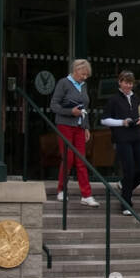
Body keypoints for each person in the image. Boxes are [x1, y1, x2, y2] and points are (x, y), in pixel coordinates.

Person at [100, 71, 140, 216]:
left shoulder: (135, 98)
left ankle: (124, 185)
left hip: (136, 137)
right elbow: (104, 120)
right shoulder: (114, 100)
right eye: (125, 82)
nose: (128, 86)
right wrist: (121, 122)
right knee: (129, 170)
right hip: (122, 139)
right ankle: (126, 203)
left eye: (130, 83)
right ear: (120, 82)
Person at [50, 59, 98, 206]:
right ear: (75, 70)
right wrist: (71, 111)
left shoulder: (83, 85)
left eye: (86, 75)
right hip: (65, 125)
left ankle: (86, 194)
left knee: (81, 160)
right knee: (68, 158)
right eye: (83, 74)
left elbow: (84, 108)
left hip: (79, 127)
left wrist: (86, 126)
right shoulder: (63, 83)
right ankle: (61, 190)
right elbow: (54, 105)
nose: (84, 77)